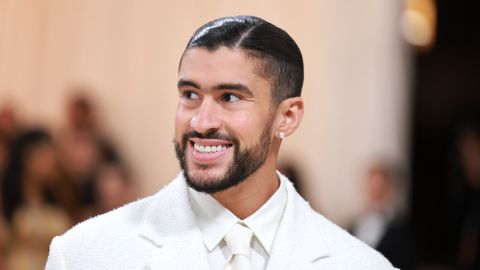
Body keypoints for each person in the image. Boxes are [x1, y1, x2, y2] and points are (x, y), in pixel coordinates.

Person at [45, 15, 397, 269]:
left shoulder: (361, 265)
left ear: (287, 117)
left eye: (229, 97)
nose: (201, 121)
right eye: (190, 94)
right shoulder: (83, 255)